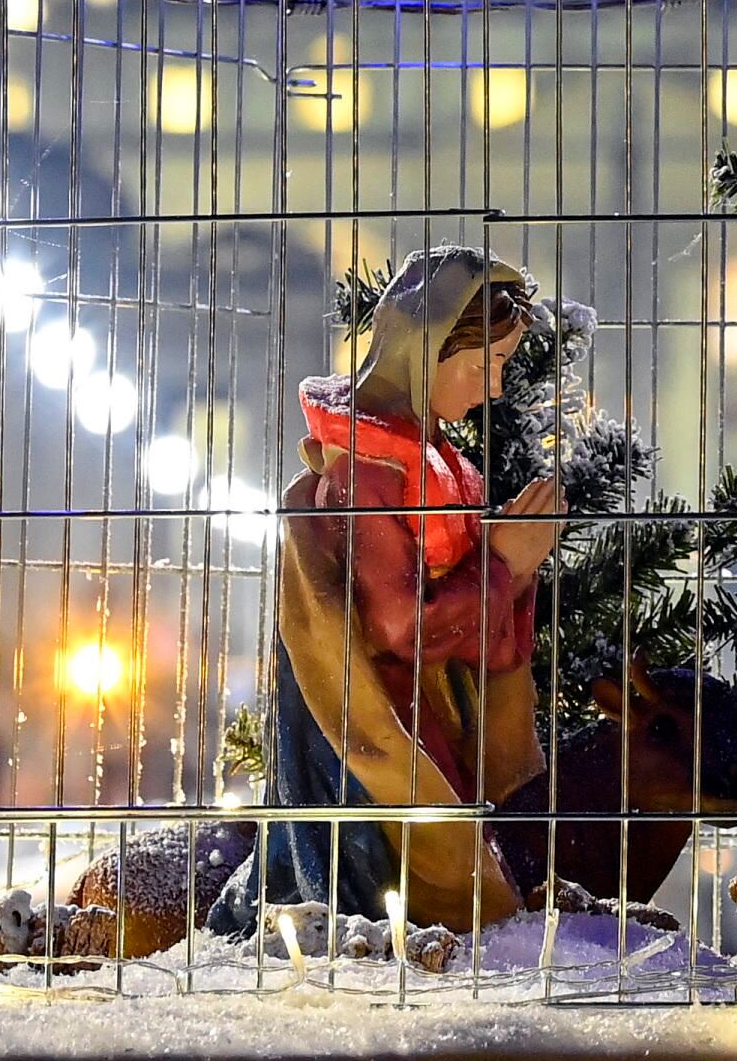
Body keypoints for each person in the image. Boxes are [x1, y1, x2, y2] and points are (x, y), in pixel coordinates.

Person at [222, 247, 562, 932]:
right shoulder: (372, 468)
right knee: (430, 868)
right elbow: (397, 625)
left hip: (432, 703)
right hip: (389, 717)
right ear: (426, 350)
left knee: (465, 855)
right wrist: (502, 565)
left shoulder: (428, 454)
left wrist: (509, 566)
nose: (493, 389)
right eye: (483, 366)